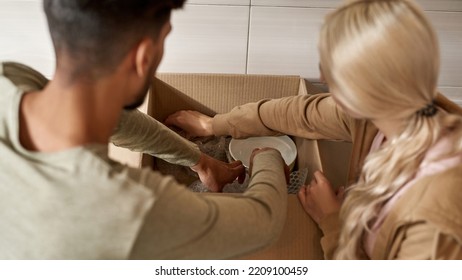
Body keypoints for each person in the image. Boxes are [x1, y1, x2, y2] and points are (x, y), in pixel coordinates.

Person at [166, 0, 462, 259]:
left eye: (329, 72)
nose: (321, 77)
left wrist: (332, 221)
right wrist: (213, 124)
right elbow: (298, 113)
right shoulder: (390, 114)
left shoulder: (438, 230)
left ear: (361, 90)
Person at [0, 0, 289, 259]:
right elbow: (264, 223)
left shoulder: (9, 77)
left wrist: (199, 160)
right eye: (164, 39)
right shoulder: (129, 206)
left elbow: (116, 119)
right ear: (143, 57)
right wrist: (268, 157)